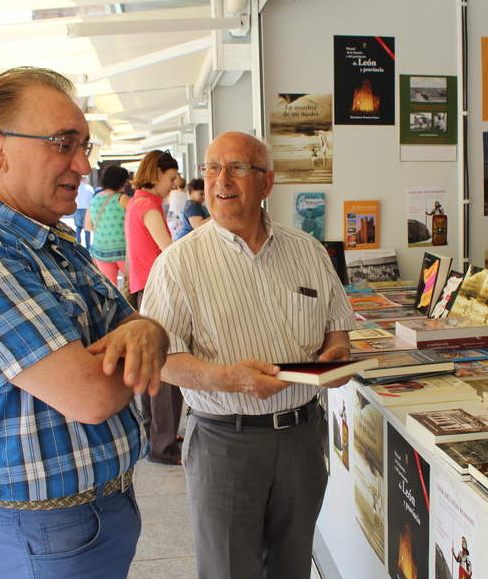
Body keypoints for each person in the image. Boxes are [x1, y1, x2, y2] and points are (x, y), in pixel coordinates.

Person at [0, 66, 169, 579]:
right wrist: (136, 339)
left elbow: (138, 328)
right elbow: (91, 395)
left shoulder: (51, 239)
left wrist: (147, 331)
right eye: (62, 143)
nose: (82, 164)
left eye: (85, 145)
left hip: (96, 512)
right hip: (38, 535)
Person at [141, 131, 357, 579]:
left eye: (237, 167)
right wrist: (229, 379)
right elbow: (162, 359)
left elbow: (338, 330)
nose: (221, 180)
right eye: (212, 168)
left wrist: (337, 356)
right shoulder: (178, 264)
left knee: (291, 566)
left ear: (267, 183)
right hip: (225, 443)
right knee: (228, 570)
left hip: (302, 437)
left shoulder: (309, 252)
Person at [124, 149, 184, 464]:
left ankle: (156, 437)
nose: (174, 185)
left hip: (142, 289)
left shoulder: (135, 202)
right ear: (156, 173)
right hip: (156, 290)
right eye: (171, 178)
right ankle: (164, 445)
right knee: (167, 366)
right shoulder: (148, 206)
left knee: (154, 365)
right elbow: (168, 251)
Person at [86, 165, 130, 285]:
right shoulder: (122, 198)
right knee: (133, 286)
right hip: (123, 251)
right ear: (120, 181)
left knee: (111, 287)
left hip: (101, 251)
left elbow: (88, 226)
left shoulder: (94, 199)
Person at [74, 174, 94, 247]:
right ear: (85, 179)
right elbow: (92, 200)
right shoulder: (89, 188)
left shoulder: (76, 187)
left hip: (76, 209)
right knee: (87, 228)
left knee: (78, 227)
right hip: (86, 209)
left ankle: (77, 244)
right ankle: (88, 246)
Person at [166, 174, 188, 239]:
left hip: (172, 219)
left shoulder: (172, 193)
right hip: (181, 220)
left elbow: (168, 203)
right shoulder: (187, 195)